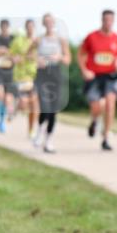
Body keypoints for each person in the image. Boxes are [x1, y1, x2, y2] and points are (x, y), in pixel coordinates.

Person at [77, 10, 117, 151]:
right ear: (102, 20)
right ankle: (94, 121)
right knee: (96, 106)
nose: (108, 23)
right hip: (94, 77)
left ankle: (105, 138)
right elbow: (80, 54)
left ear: (114, 21)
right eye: (106, 20)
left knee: (110, 104)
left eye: (111, 20)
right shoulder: (91, 37)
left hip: (110, 77)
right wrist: (84, 70)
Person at [33, 13, 70, 153]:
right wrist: (38, 60)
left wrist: (59, 57)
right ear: (43, 24)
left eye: (51, 21)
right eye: (46, 22)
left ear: (54, 23)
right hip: (42, 74)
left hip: (55, 73)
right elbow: (28, 54)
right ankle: (39, 131)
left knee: (53, 109)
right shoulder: (39, 39)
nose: (49, 24)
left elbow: (68, 59)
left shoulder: (61, 41)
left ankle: (48, 141)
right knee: (45, 105)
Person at [10, 19, 40, 139]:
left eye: (32, 27)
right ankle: (17, 107)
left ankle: (31, 130)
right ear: (26, 28)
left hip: (34, 76)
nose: (30, 29)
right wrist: (15, 58)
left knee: (34, 105)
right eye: (28, 27)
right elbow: (10, 54)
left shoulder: (38, 42)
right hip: (21, 76)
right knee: (24, 103)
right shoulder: (18, 40)